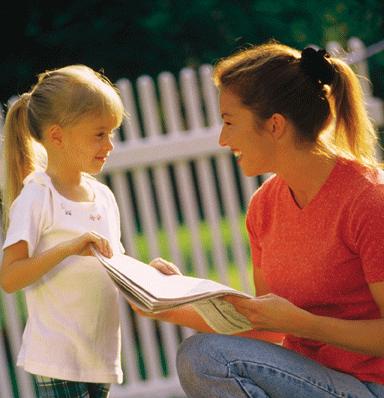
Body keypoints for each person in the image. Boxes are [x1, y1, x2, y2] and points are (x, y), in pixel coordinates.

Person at [136, 41, 384, 397]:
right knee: (200, 355)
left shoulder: (369, 200)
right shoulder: (265, 207)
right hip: (312, 382)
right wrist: (170, 304)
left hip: (371, 387)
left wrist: (306, 325)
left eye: (229, 122)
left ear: (275, 125)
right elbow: (268, 327)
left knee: (206, 356)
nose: (223, 139)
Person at [0, 64, 126, 398]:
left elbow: (118, 265)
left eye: (111, 133)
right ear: (57, 136)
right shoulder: (37, 196)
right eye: (99, 134)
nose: (110, 145)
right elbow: (10, 277)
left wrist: (152, 276)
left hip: (98, 359)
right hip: (57, 360)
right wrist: (68, 248)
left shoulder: (103, 197)